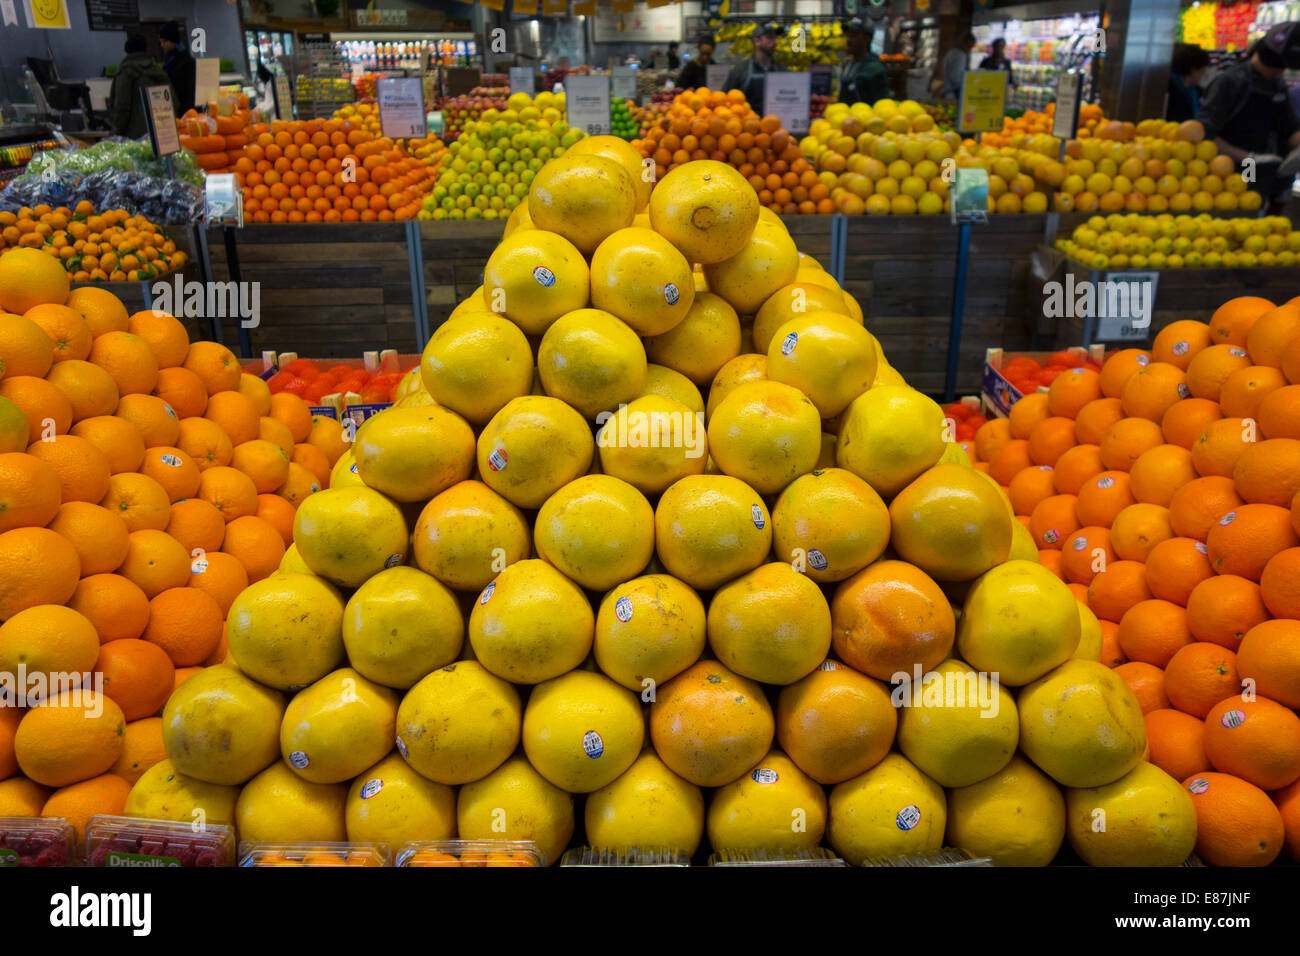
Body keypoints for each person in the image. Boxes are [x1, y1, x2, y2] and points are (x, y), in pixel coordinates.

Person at [1198, 22, 1300, 202]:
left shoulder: (1277, 84)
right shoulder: (1231, 82)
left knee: (1258, 210)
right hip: (1227, 169)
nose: (1281, 72)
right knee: (1241, 209)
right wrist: (1249, 158)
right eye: (1280, 66)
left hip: (1267, 168)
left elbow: (1288, 129)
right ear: (1268, 57)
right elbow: (1205, 132)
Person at [108, 34, 173, 138]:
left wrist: (115, 132)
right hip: (163, 133)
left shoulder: (126, 72)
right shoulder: (158, 70)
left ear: (126, 52)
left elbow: (122, 106)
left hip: (134, 136)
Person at [725, 21, 783, 109]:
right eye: (769, 37)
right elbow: (724, 101)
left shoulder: (782, 71)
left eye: (775, 37)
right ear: (757, 41)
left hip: (775, 122)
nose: (774, 42)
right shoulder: (740, 71)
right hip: (748, 121)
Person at [839, 18, 891, 105]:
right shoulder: (848, 65)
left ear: (867, 38)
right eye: (848, 35)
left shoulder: (875, 69)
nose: (849, 40)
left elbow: (883, 104)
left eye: (854, 35)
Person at [159, 21, 197, 115]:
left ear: (174, 40)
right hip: (172, 109)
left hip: (185, 112)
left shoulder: (187, 61)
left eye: (165, 41)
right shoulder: (168, 60)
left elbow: (191, 91)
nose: (162, 45)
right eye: (161, 41)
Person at [1166, 43, 1211, 122]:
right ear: (1193, 70)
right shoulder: (1168, 88)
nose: (1202, 77)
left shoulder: (1198, 92)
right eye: (1201, 73)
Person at [938, 32, 974, 100]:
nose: (970, 49)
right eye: (970, 46)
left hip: (948, 91)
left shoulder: (952, 52)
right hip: (953, 93)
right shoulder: (960, 55)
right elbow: (956, 78)